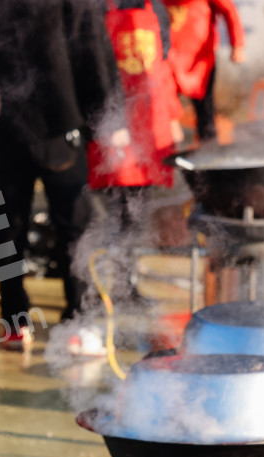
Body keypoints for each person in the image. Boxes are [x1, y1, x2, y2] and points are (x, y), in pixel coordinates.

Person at [0, 0, 130, 355]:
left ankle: (13, 320)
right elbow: (92, 48)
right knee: (74, 225)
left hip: (9, 122)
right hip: (59, 122)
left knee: (11, 222)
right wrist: (106, 116)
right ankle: (78, 322)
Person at [86, 0, 184, 305]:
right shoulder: (100, 8)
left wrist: (172, 115)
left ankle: (127, 283)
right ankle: (106, 285)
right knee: (118, 212)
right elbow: (93, 67)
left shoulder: (155, 8)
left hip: (149, 120)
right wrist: (109, 121)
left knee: (138, 213)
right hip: (116, 121)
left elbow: (163, 68)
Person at [162, 0, 245, 142]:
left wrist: (237, 45)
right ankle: (168, 154)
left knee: (205, 113)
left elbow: (229, 9)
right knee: (165, 112)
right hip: (169, 60)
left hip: (201, 61)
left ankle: (209, 155)